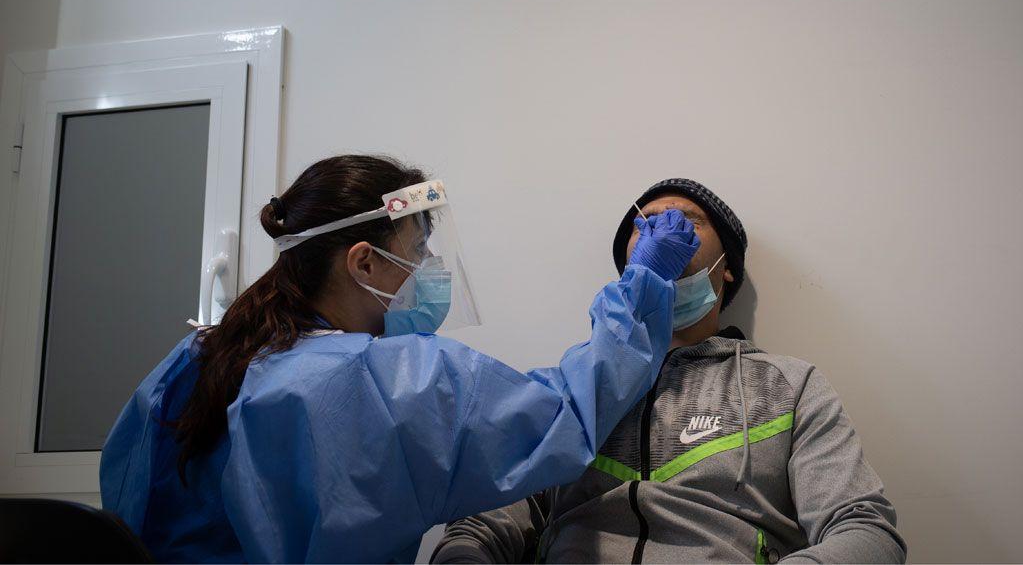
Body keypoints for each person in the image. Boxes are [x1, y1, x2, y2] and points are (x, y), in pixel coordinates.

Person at [99, 155, 700, 563]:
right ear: (362, 262)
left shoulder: (195, 357)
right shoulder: (380, 383)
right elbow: (561, 416)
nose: (430, 270)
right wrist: (643, 286)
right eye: (417, 251)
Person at [432, 178, 906, 564]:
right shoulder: (576, 386)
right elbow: (485, 520)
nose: (664, 230)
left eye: (688, 221)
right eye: (646, 225)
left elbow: (865, 530)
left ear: (726, 269)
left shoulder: (788, 386)